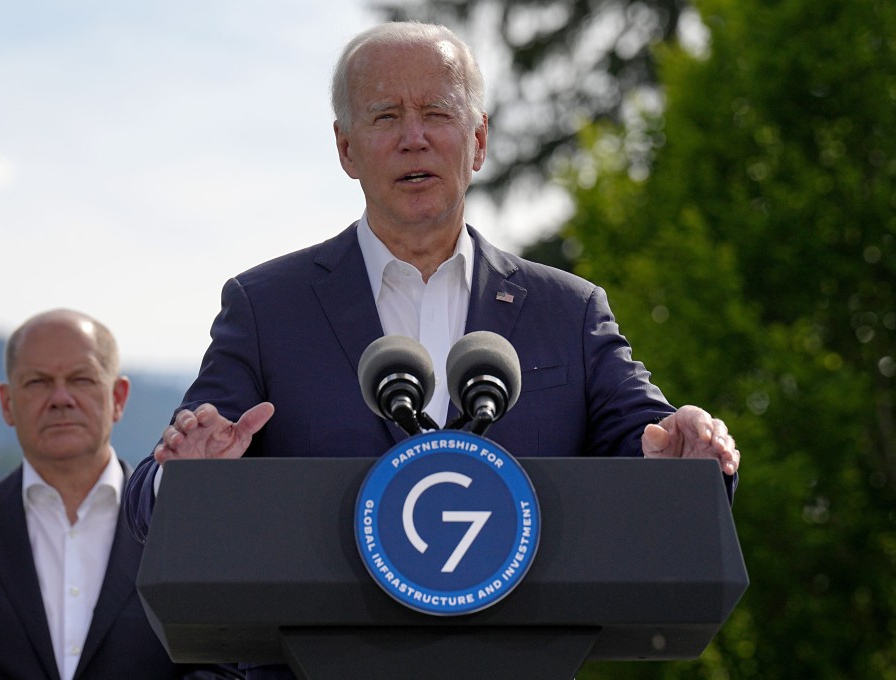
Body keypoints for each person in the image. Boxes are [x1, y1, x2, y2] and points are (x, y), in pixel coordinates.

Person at [124, 21, 740, 679]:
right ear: (346, 147)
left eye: (437, 113)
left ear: (477, 141)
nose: (413, 137)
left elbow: (649, 444)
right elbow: (150, 496)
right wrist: (185, 474)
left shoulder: (568, 310)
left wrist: (685, 454)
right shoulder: (266, 306)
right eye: (385, 115)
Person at [0, 309, 240, 680]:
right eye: (37, 382)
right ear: (7, 403)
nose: (60, 397)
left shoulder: (184, 524)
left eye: (81, 379)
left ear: (118, 396)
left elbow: (226, 669)